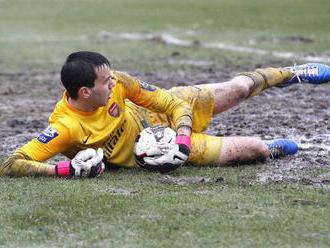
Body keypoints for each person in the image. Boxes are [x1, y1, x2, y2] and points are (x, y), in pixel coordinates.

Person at [1, 51, 329, 177]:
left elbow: (172, 105)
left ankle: (289, 73)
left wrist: (183, 135)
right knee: (256, 148)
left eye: (112, 75)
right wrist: (65, 170)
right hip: (159, 150)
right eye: (105, 80)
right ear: (84, 92)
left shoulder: (120, 83)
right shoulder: (66, 127)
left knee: (238, 89)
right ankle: (267, 147)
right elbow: (11, 164)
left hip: (169, 123)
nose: (113, 81)